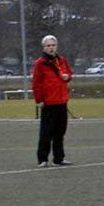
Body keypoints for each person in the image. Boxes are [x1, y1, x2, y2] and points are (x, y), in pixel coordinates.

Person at [32, 34, 73, 167]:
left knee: (60, 132)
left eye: (53, 45)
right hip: (49, 102)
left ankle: (59, 158)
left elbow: (69, 74)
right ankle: (42, 159)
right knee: (46, 132)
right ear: (44, 47)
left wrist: (67, 77)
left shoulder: (62, 60)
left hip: (61, 101)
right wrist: (39, 99)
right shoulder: (40, 63)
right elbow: (36, 83)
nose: (51, 48)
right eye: (48, 45)